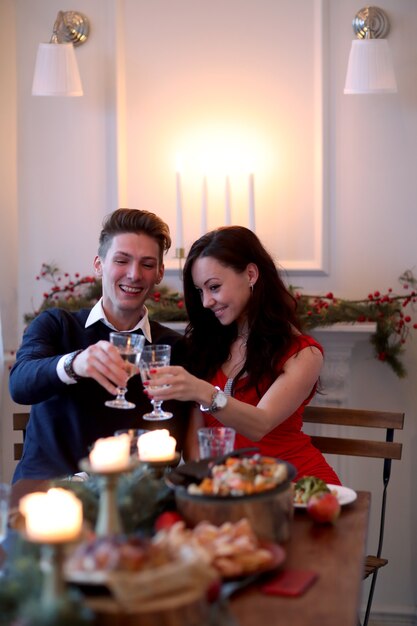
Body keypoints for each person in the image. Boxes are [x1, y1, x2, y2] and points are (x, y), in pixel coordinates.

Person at [142, 226, 341, 485]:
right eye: (200, 291)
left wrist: (202, 391)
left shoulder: (303, 353)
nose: (206, 302)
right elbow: (195, 453)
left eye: (214, 287)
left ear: (250, 274)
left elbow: (260, 424)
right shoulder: (204, 348)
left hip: (295, 484)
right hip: (231, 487)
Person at [10, 209, 189, 482]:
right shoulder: (56, 325)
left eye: (147, 264)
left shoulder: (173, 348)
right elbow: (20, 384)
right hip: (48, 497)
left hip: (133, 499)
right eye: (121, 260)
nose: (134, 274)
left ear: (160, 274)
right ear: (98, 265)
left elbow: (178, 442)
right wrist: (74, 364)